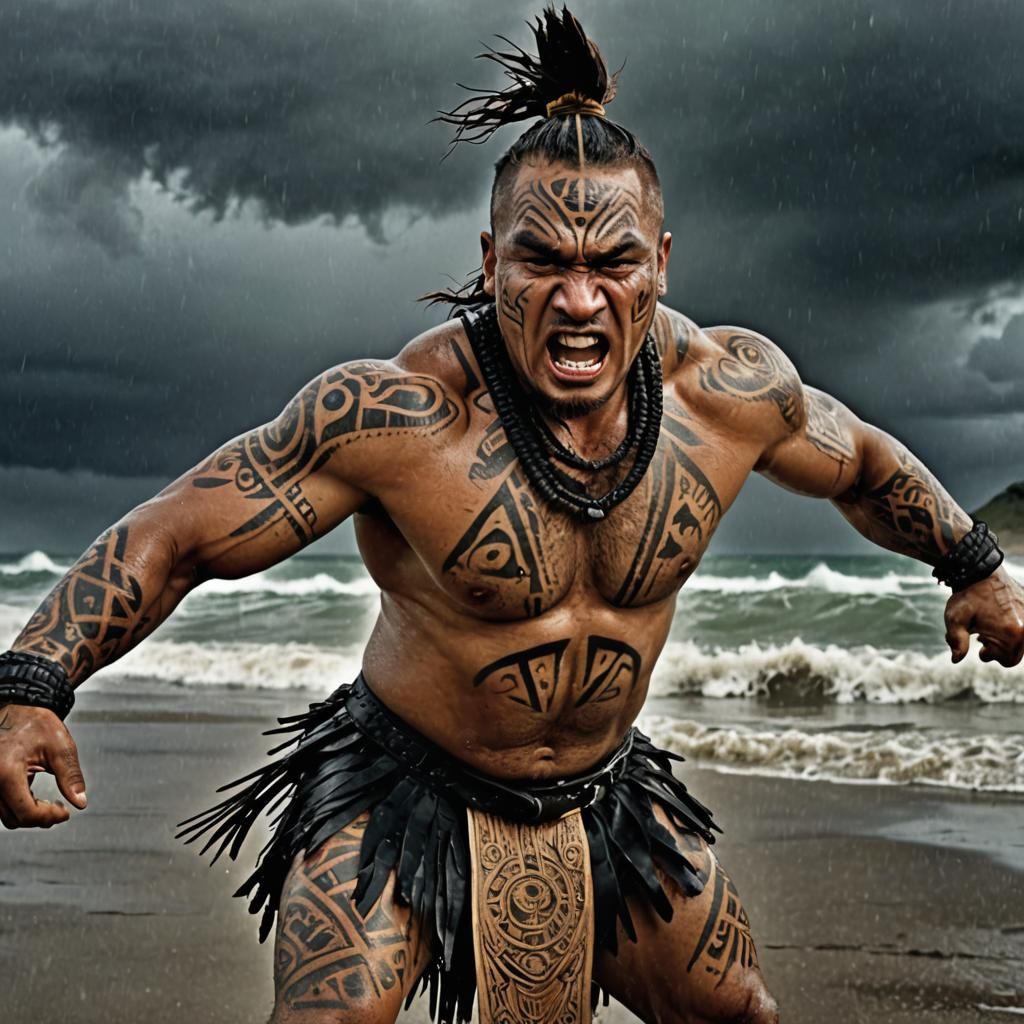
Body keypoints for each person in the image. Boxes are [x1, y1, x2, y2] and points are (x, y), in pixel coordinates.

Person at [1, 7, 1022, 1024]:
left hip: (606, 794)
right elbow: (179, 534)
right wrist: (34, 684)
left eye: (612, 263)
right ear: (492, 261)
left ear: (661, 262)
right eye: (544, 262)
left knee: (739, 1012)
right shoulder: (399, 416)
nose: (579, 300)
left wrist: (973, 564)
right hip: (398, 785)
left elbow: (863, 464)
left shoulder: (730, 395)